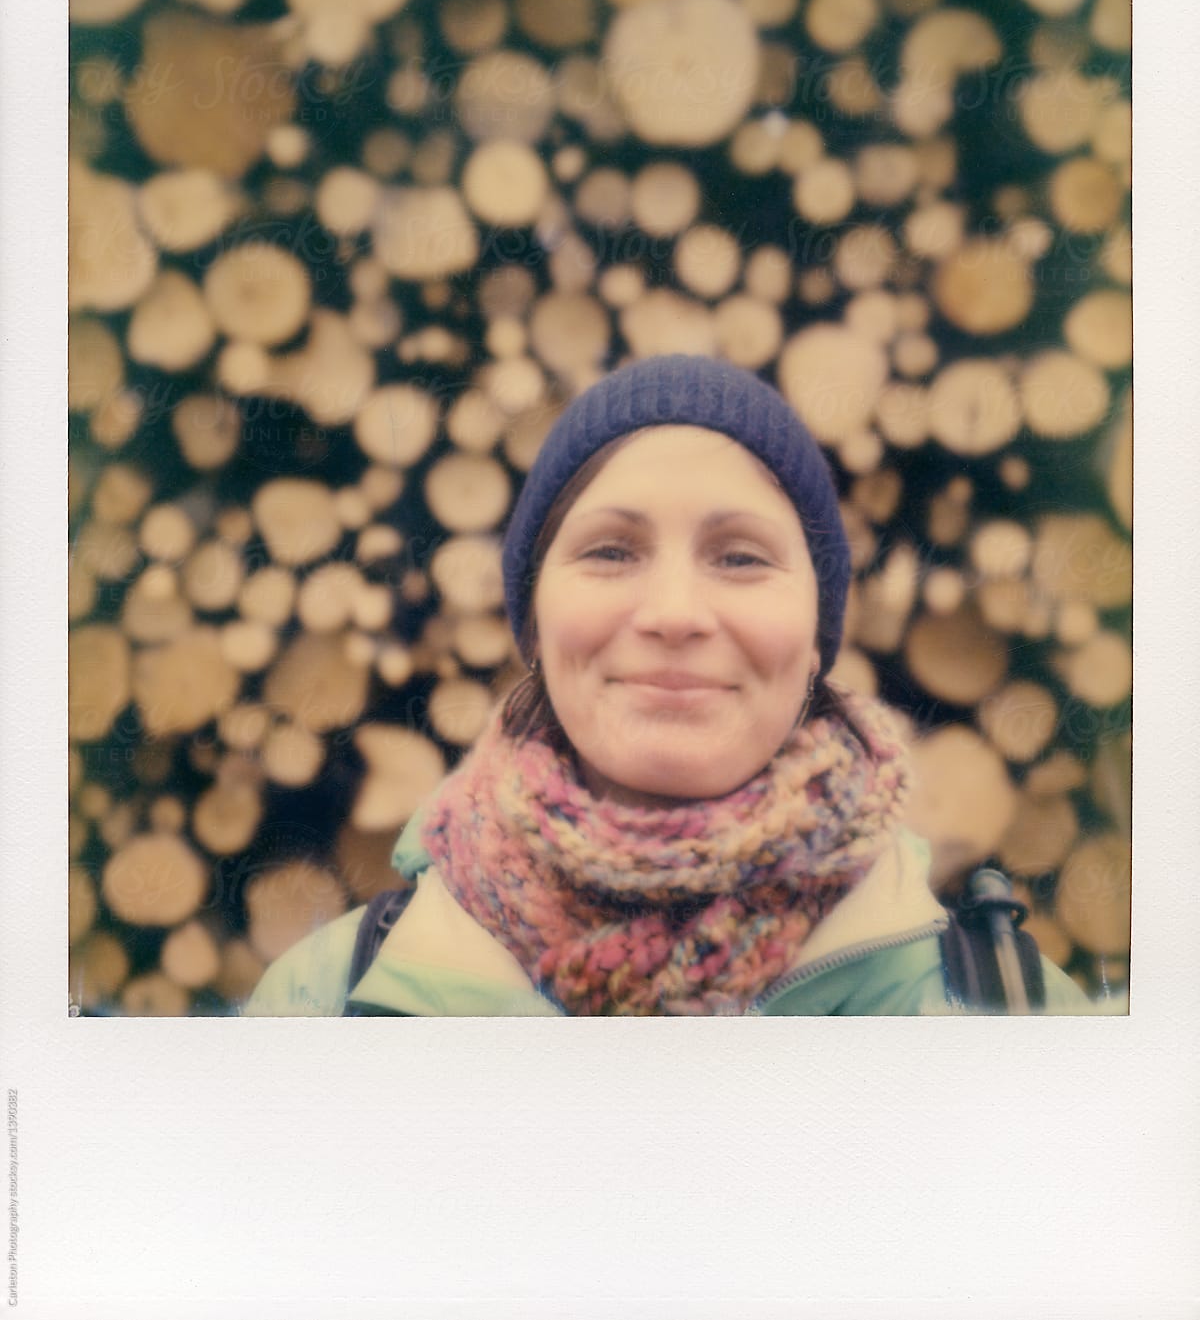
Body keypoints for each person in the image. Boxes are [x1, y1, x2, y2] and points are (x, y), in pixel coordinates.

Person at [244, 355, 1089, 1016]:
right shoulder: (329, 1001)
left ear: (816, 637)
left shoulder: (1008, 1005)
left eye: (741, 557)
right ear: (535, 618)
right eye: (610, 551)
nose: (676, 613)